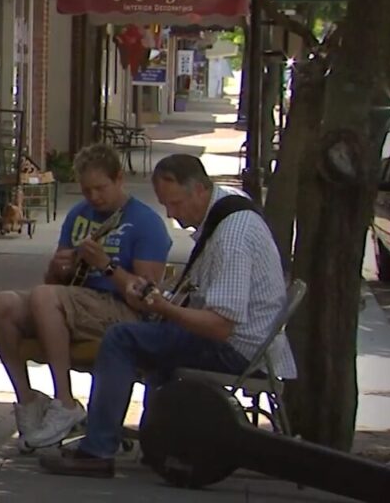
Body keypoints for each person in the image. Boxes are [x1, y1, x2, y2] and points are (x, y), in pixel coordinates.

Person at [40, 154, 296, 478]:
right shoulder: (228, 205)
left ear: (201, 190)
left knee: (122, 337)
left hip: (240, 350)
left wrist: (164, 308)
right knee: (154, 338)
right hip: (252, 343)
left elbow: (219, 327)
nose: (171, 215)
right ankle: (157, 442)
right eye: (165, 205)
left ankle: (98, 450)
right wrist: (170, 301)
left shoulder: (231, 237)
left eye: (175, 204)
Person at [0, 143, 172, 452]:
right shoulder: (79, 215)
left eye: (101, 188)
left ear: (119, 179)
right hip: (73, 302)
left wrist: (107, 266)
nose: (94, 198)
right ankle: (28, 400)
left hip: (121, 311)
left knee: (46, 298)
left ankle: (65, 402)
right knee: (3, 304)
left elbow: (148, 297)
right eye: (87, 191)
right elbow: (53, 284)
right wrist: (59, 267)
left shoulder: (144, 222)